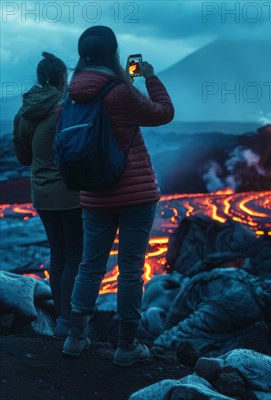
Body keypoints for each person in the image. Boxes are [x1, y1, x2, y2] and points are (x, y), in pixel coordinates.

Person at [61, 26, 174, 367]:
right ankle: (127, 347)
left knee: (90, 265)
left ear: (82, 55)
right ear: (113, 52)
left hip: (94, 194)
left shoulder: (72, 93)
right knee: (130, 270)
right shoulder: (120, 92)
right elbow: (163, 113)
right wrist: (149, 78)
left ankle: (75, 337)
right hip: (136, 195)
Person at [13, 52, 83, 339]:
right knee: (75, 255)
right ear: (61, 78)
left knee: (57, 253)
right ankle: (72, 321)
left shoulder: (25, 110)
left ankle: (62, 319)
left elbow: (23, 156)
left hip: (40, 192)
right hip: (69, 192)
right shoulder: (67, 106)